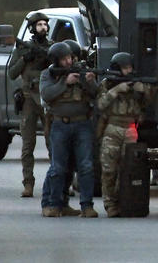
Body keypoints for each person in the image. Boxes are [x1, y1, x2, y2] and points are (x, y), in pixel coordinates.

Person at [39, 42, 98, 218]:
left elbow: (95, 94)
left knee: (86, 166)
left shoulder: (80, 71)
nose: (68, 61)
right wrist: (66, 82)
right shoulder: (47, 75)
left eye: (70, 58)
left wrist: (89, 82)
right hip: (59, 125)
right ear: (56, 60)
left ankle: (87, 205)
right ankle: (54, 204)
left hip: (82, 125)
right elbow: (47, 94)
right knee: (58, 167)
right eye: (64, 59)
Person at [97, 52, 157, 217]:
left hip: (131, 129)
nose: (128, 71)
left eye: (130, 67)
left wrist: (143, 90)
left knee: (129, 169)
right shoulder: (107, 84)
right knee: (109, 169)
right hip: (112, 128)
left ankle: (126, 201)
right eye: (125, 68)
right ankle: (110, 204)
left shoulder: (137, 84)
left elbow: (149, 101)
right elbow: (101, 105)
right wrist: (117, 90)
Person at [7, 12, 52, 197]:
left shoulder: (53, 47)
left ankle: (59, 182)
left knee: (54, 143)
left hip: (48, 100)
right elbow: (12, 73)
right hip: (28, 101)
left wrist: (48, 58)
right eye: (39, 24)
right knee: (28, 145)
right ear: (33, 28)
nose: (43, 27)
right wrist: (25, 58)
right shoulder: (24, 49)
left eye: (45, 24)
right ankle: (28, 183)